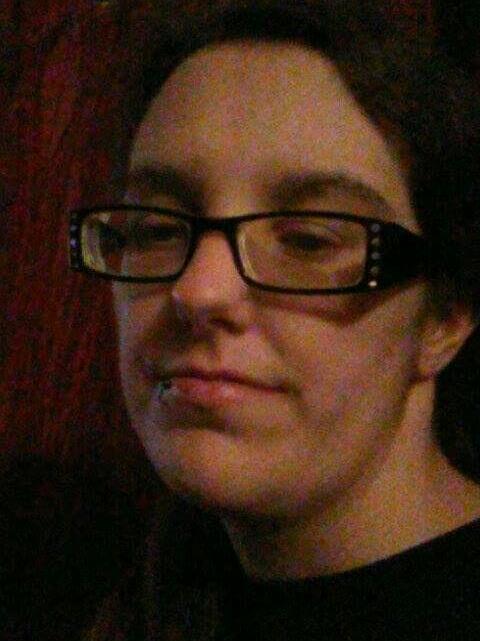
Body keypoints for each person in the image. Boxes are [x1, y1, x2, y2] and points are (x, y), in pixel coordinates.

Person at [70, 1, 480, 639]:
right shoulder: (151, 582)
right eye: (154, 229)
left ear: (446, 318)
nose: (198, 291)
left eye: (309, 241)